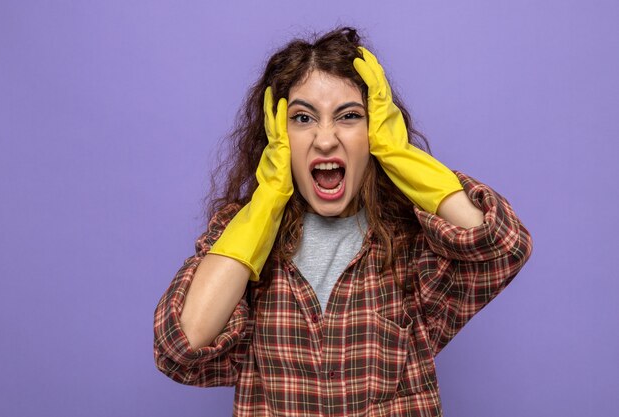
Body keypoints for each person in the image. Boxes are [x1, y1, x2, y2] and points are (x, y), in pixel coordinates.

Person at [154, 27, 533, 416]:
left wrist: (398, 154)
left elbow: (504, 245)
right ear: (276, 134)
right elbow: (182, 346)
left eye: (349, 116)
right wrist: (266, 199)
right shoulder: (242, 234)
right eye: (302, 118)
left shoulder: (411, 239)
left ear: (374, 128)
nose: (325, 140)